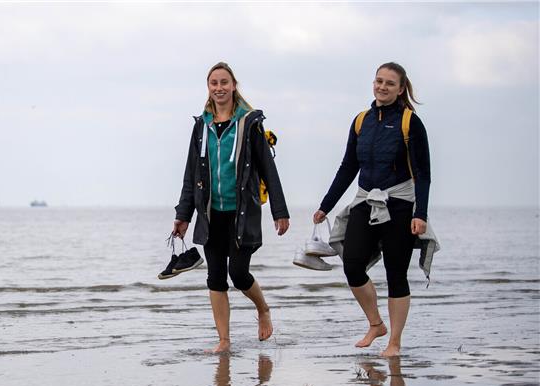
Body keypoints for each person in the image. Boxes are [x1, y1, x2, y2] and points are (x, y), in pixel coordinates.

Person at [313, 62, 431, 357]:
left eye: (390, 83)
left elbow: (423, 173)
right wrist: (325, 206)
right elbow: (348, 167)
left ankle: (394, 343)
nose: (382, 86)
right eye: (379, 81)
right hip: (365, 202)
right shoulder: (361, 121)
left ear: (401, 89)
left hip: (400, 206)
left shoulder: (409, 122)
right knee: (352, 264)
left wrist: (421, 214)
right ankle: (376, 324)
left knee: (396, 274)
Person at [173, 62, 290, 353]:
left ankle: (262, 309)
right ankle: (224, 340)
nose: (219, 88)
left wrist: (280, 211)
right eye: (214, 83)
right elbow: (191, 174)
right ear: (208, 88)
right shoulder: (201, 126)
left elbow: (268, 169)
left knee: (238, 274)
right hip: (211, 215)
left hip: (242, 213)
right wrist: (182, 215)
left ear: (234, 85)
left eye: (224, 82)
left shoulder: (249, 123)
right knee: (215, 276)